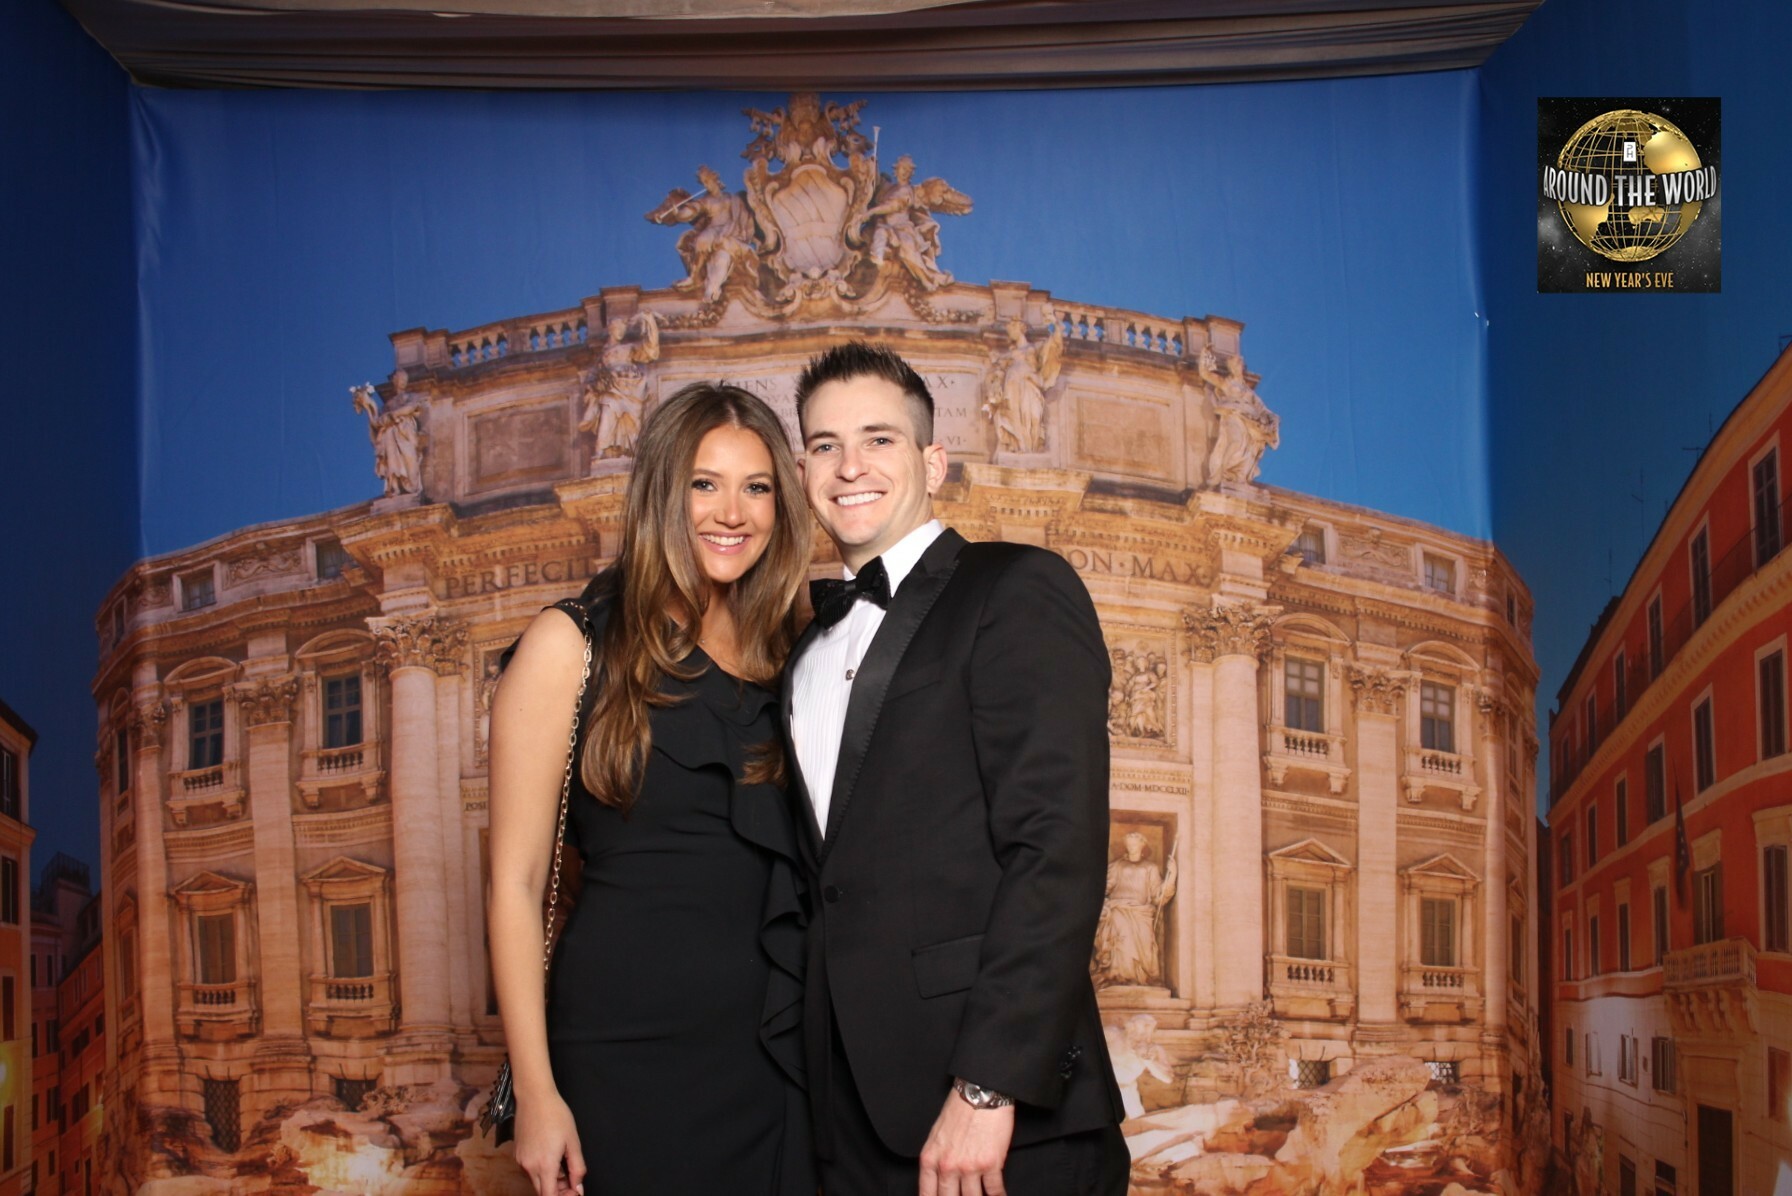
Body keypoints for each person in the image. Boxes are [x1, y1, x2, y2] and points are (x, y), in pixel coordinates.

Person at [785, 342, 1128, 1195]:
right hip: (844, 1121)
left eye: (879, 439)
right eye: (826, 445)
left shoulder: (1016, 588)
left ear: (933, 461)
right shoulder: (802, 651)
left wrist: (988, 1085)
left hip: (1004, 1118)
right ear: (803, 472)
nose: (850, 466)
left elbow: (1057, 847)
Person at [488, 383, 815, 1196]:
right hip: (622, 1053)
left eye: (756, 487)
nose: (731, 513)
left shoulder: (793, 650)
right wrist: (537, 1095)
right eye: (704, 484)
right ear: (663, 492)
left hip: (773, 1054)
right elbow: (515, 884)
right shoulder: (570, 642)